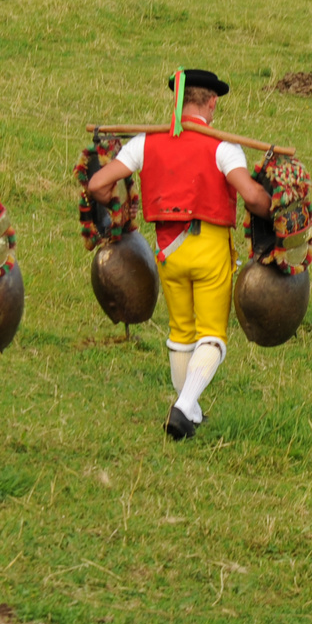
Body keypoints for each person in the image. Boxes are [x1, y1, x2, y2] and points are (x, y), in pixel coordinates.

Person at [85, 69, 272, 440]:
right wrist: (272, 206)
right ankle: (184, 405)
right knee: (212, 337)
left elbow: (96, 184)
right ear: (212, 102)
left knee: (181, 333)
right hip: (209, 249)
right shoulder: (223, 147)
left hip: (168, 252)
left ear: (179, 101)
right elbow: (252, 198)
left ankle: (191, 409)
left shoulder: (144, 143)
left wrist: (112, 200)